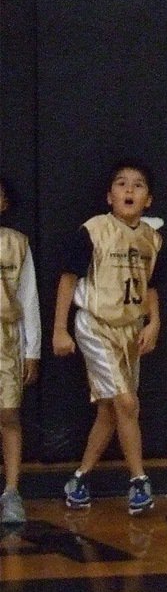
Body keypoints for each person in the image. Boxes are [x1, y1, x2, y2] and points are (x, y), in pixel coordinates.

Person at [52, 160, 162, 516]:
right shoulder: (94, 230)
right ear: (109, 196)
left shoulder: (152, 238)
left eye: (138, 185)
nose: (129, 190)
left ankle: (80, 477)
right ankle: (139, 481)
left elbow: (151, 287)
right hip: (95, 324)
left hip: (130, 329)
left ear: (148, 199)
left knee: (110, 411)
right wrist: (59, 328)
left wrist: (153, 322)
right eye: (121, 184)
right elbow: (68, 279)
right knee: (128, 403)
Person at [0, 179, 41, 526]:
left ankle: (12, 491)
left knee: (8, 414)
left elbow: (29, 299)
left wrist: (33, 350)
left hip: (6, 338)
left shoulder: (16, 244)